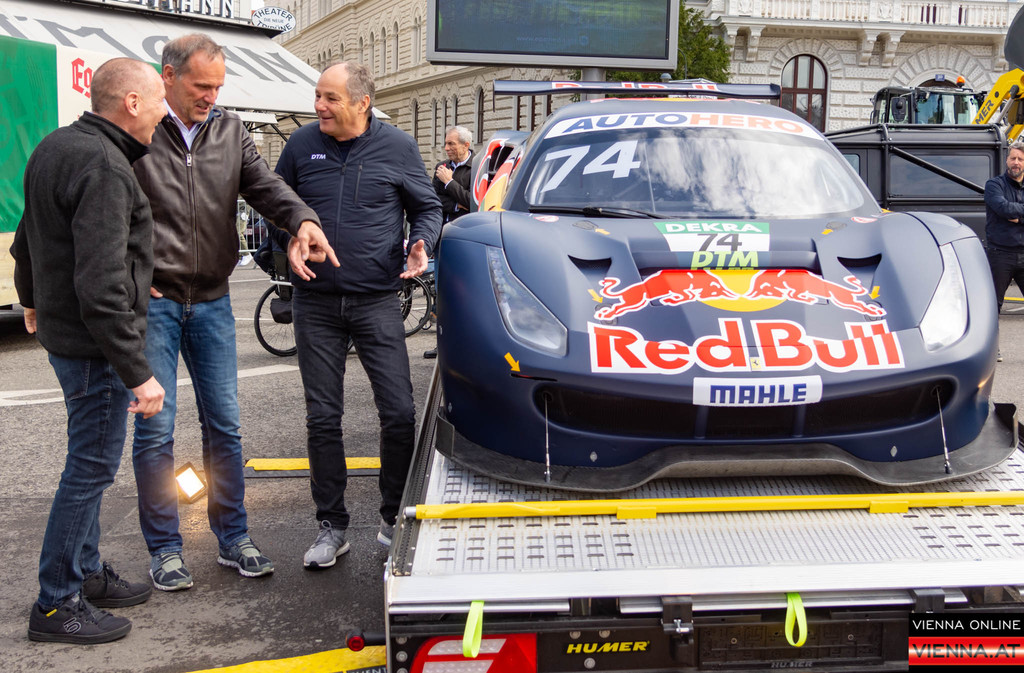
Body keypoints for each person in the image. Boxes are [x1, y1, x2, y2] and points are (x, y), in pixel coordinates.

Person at [131, 34, 334, 591]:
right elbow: (107, 208)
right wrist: (132, 275)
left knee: (225, 425)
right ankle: (165, 549)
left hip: (213, 299)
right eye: (201, 86)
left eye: (218, 86)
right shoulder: (138, 128)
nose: (211, 97)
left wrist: (303, 221)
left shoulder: (229, 129)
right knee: (156, 429)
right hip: (156, 303)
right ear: (167, 76)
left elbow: (266, 187)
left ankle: (234, 537)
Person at [11, 58, 167, 644]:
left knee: (89, 465)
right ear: (131, 102)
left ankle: (86, 572)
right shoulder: (104, 164)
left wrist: (31, 298)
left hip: (68, 336)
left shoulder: (57, 145)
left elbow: (28, 239)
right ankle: (57, 603)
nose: (163, 112)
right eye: (158, 100)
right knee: (91, 468)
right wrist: (139, 373)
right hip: (93, 347)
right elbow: (101, 288)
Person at [272, 62, 441, 568]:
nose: (318, 106)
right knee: (323, 417)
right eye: (317, 96)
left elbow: (427, 207)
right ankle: (332, 525)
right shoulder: (301, 144)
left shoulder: (398, 146)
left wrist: (421, 242)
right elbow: (275, 204)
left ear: (362, 103)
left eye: (330, 98)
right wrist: (289, 237)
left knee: (399, 413)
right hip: (315, 302)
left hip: (376, 300)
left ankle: (394, 517)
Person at [424, 126, 474, 359]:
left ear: (466, 145)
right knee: (442, 292)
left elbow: (474, 202)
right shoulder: (441, 167)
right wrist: (456, 203)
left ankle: (465, 345)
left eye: (451, 144)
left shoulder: (478, 167)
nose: (446, 148)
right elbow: (433, 201)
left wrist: (450, 183)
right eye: (446, 143)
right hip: (442, 239)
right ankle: (442, 344)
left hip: (466, 239)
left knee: (464, 294)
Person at [983, 140, 1024, 362]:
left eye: (1020, 159)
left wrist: (1018, 217)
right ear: (1007, 160)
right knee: (993, 305)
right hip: (1000, 254)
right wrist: (1012, 213)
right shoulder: (994, 185)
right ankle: (991, 350)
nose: (1016, 162)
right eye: (1013, 158)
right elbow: (1003, 208)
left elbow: (1011, 212)